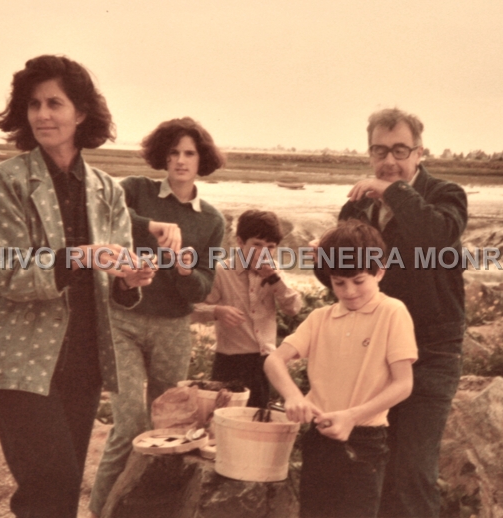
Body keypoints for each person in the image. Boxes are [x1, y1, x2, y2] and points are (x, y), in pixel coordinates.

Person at [0, 55, 155, 518]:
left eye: (54, 103)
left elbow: (116, 280)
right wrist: (82, 255)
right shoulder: (5, 180)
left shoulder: (107, 189)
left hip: (83, 359)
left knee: (62, 492)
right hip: (19, 358)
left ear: (82, 113)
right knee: (49, 485)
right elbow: (9, 273)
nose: (42, 115)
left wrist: (130, 279)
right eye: (33, 104)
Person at [317, 108, 468, 518]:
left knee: (412, 471)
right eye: (379, 150)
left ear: (420, 152)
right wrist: (321, 259)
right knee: (368, 466)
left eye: (400, 150)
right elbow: (343, 280)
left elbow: (436, 236)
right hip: (371, 350)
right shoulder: (355, 208)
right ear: (369, 153)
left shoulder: (446, 195)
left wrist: (391, 192)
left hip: (431, 351)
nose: (389, 160)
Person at [89, 117, 226, 517]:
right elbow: (101, 216)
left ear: (201, 160)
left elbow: (201, 288)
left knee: (168, 431)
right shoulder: (136, 190)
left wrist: (184, 270)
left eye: (189, 153)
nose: (181, 161)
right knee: (129, 428)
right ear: (162, 157)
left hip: (173, 330)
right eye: (173, 152)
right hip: (123, 321)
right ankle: (98, 513)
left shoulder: (212, 220)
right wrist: (151, 226)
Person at [265, 219, 417, 518]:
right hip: (319, 438)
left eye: (358, 281)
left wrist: (352, 417)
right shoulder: (320, 318)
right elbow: (274, 360)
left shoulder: (392, 312)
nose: (349, 291)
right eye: (339, 282)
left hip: (365, 442)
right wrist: (293, 396)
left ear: (379, 271)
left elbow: (404, 384)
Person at [192, 209, 302, 408]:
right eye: (256, 245)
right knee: (222, 416)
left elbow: (294, 308)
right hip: (229, 361)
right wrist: (216, 311)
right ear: (240, 242)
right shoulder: (221, 271)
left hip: (265, 361)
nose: (263, 253)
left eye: (270, 247)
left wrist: (274, 279)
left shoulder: (275, 271)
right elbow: (192, 309)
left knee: (257, 416)